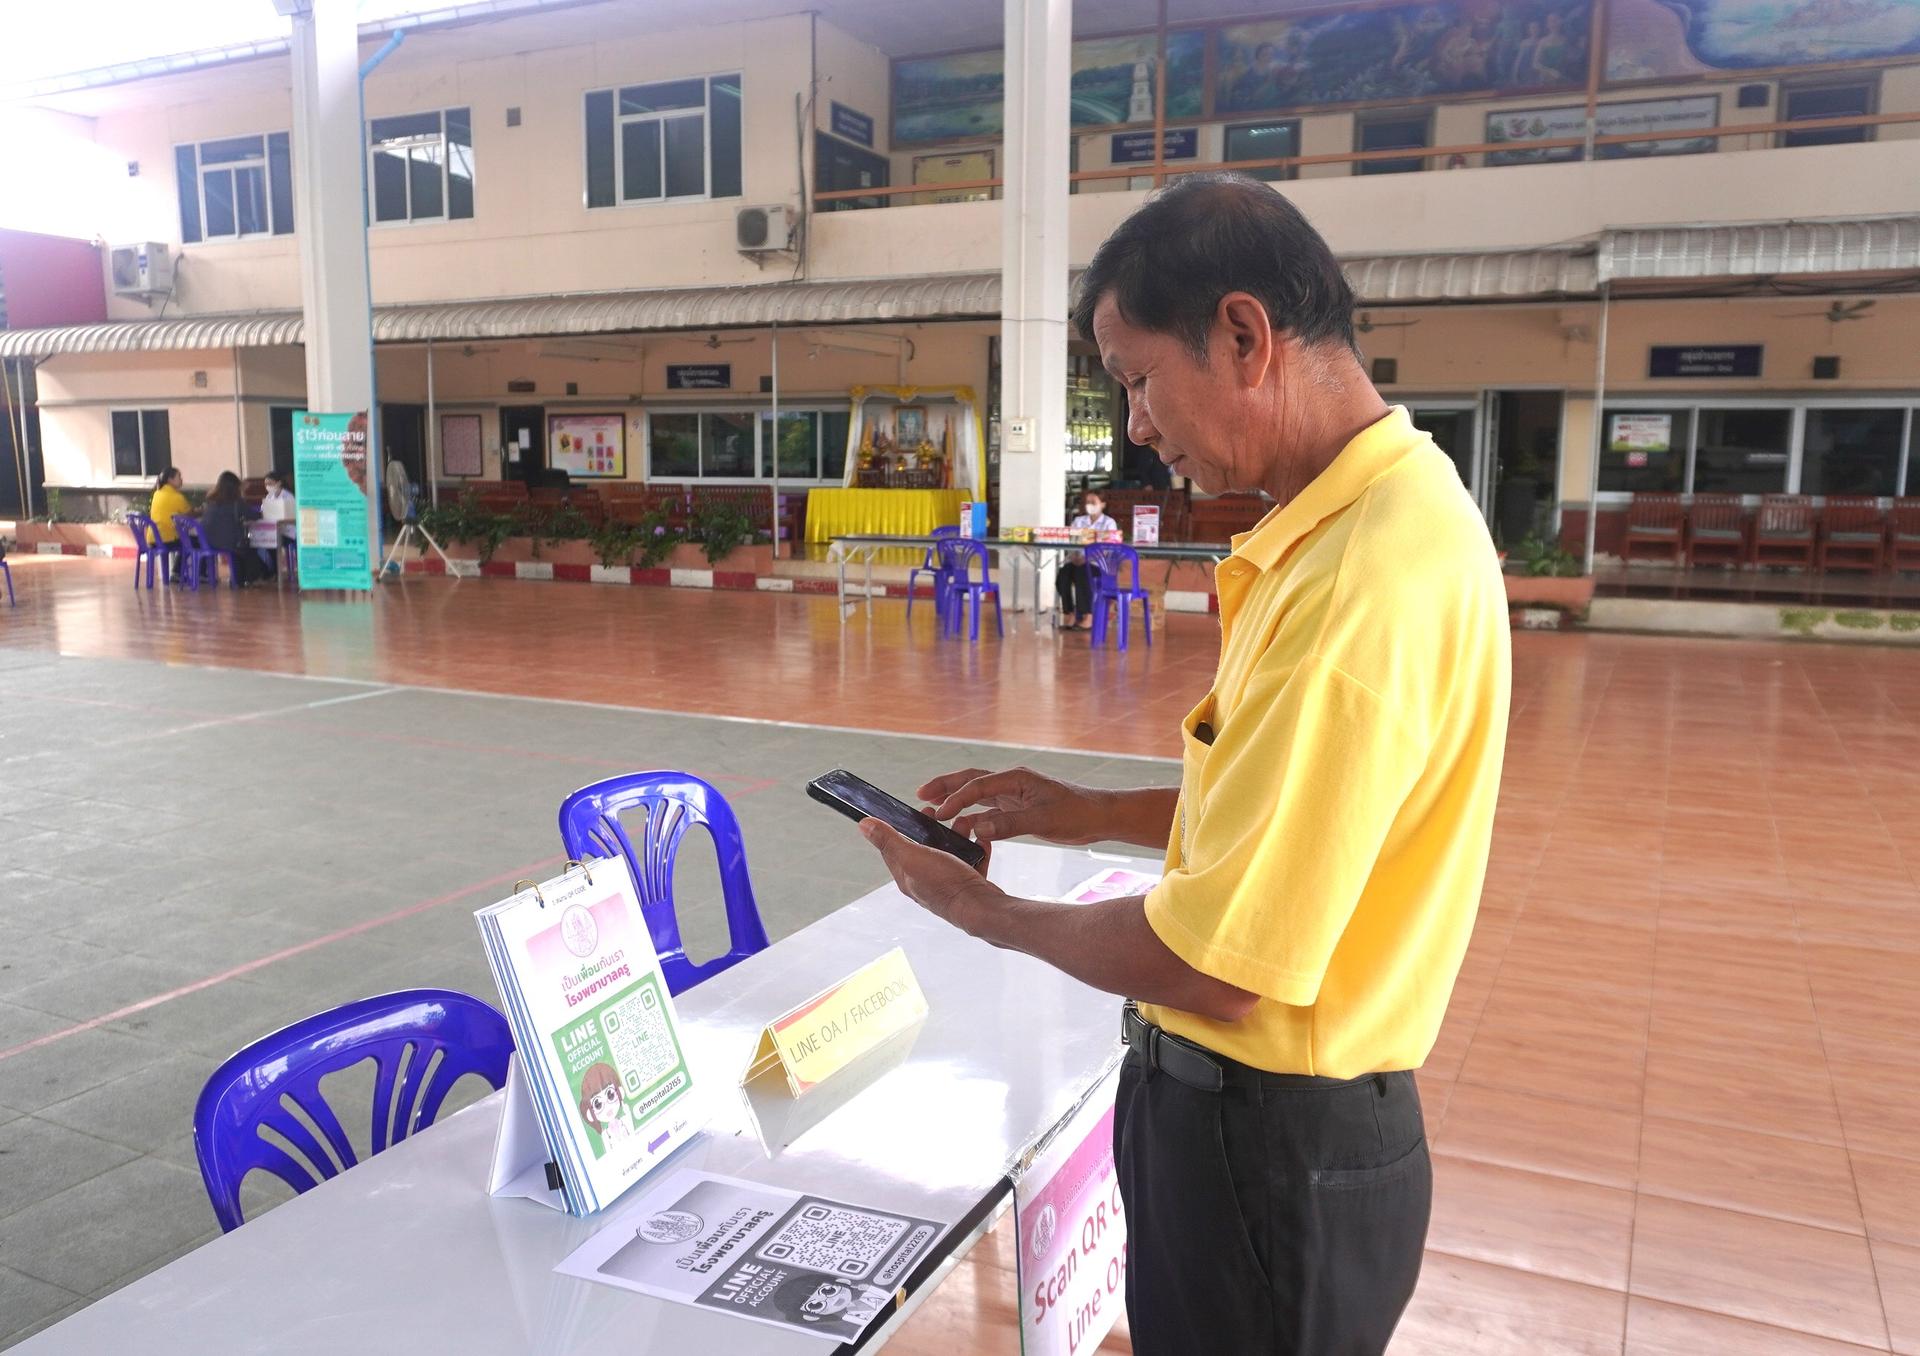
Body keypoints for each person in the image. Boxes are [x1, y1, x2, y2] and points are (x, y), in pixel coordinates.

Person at [855, 174, 1510, 1355]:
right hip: (1286, 1144)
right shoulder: (1378, 520)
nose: (1140, 428)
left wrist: (982, 911)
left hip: (1266, 1150)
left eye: (1142, 381)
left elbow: (1216, 967)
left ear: (1244, 335)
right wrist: (1084, 809)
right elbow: (1289, 818)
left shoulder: (1356, 586)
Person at [1056, 489, 1118, 630]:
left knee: (1083, 573)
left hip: (1098, 565)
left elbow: (1109, 549)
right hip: (1077, 560)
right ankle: (1069, 613)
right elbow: (1070, 542)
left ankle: (1087, 616)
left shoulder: (1109, 523)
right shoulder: (1079, 521)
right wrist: (1074, 556)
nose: (1089, 505)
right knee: (1063, 574)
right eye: (1087, 502)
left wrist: (1088, 558)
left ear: (1102, 504)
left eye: (1093, 502)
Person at [199, 472, 269, 586]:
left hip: (208, 542)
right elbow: (254, 515)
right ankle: (254, 576)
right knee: (249, 549)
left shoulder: (211, 501)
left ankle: (240, 578)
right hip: (230, 543)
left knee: (243, 551)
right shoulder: (237, 502)